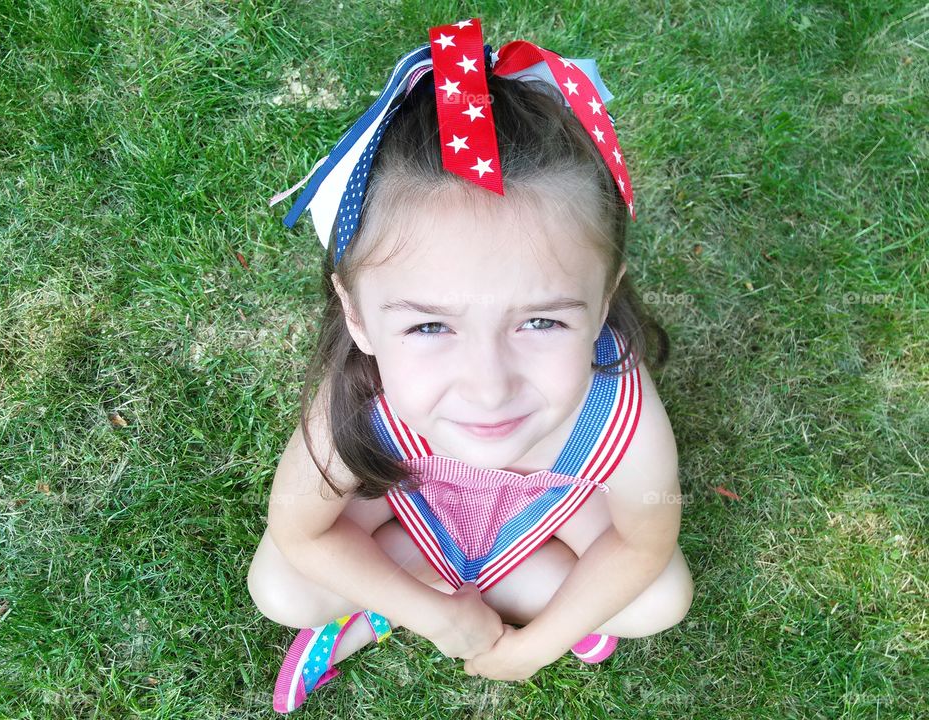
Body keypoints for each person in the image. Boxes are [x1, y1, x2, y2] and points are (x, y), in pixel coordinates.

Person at [248, 17, 694, 713]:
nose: (489, 388)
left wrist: (533, 646)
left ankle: (417, 601)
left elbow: (643, 542)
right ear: (358, 315)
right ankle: (407, 600)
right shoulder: (360, 395)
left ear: (604, 299)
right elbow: (299, 524)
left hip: (547, 521)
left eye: (541, 321)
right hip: (403, 506)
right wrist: (438, 617)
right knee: (280, 588)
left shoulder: (622, 411)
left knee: (661, 596)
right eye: (429, 325)